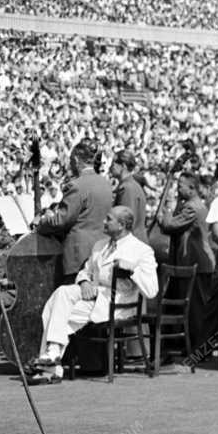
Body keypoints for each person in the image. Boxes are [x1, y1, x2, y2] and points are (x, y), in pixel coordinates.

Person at [30, 206, 158, 384]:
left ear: (121, 225)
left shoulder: (141, 250)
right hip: (94, 296)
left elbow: (152, 290)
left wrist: (132, 269)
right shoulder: (100, 245)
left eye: (108, 219)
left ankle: (50, 365)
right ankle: (52, 358)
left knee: (56, 313)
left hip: (119, 304)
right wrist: (84, 283)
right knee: (61, 293)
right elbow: (86, 270)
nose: (103, 222)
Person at [156, 171, 218, 355]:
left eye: (180, 185)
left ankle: (198, 348)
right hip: (194, 262)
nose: (177, 189)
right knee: (193, 308)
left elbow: (169, 226)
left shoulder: (193, 208)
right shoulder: (193, 205)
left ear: (192, 188)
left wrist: (165, 210)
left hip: (195, 262)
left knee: (195, 309)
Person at [36, 139, 114, 282]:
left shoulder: (77, 186)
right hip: (101, 250)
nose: (70, 164)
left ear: (76, 159)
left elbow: (62, 220)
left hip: (79, 254)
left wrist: (41, 224)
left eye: (71, 160)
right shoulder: (106, 184)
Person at [110, 148, 148, 242]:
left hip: (131, 245)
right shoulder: (131, 185)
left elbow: (125, 223)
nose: (111, 167)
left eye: (113, 163)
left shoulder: (127, 188)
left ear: (123, 165)